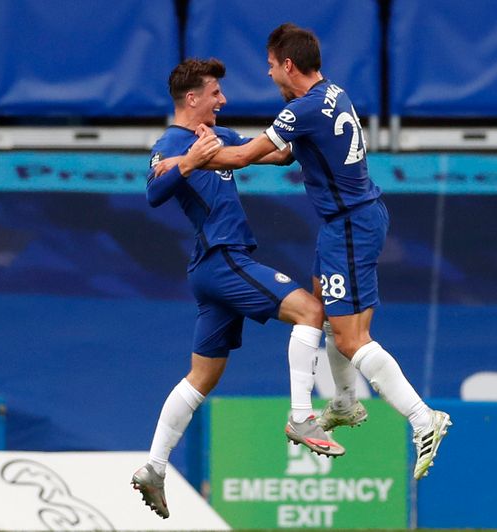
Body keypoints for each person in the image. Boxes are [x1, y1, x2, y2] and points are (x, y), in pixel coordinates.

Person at [182, 23, 451, 481]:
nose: (268, 75)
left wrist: (186, 159)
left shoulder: (302, 108)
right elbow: (285, 155)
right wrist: (230, 146)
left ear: (288, 64)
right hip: (350, 220)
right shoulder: (332, 93)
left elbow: (245, 158)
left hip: (349, 225)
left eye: (270, 66)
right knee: (323, 309)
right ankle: (345, 401)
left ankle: (424, 418)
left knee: (350, 337)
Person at [131, 58, 343, 520]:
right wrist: (189, 161)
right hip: (223, 260)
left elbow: (276, 153)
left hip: (216, 269)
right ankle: (302, 416)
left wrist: (303, 118)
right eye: (215, 93)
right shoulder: (171, 143)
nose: (223, 100)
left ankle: (154, 465)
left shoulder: (220, 137)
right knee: (311, 312)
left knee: (202, 377)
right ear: (192, 99)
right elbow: (153, 191)